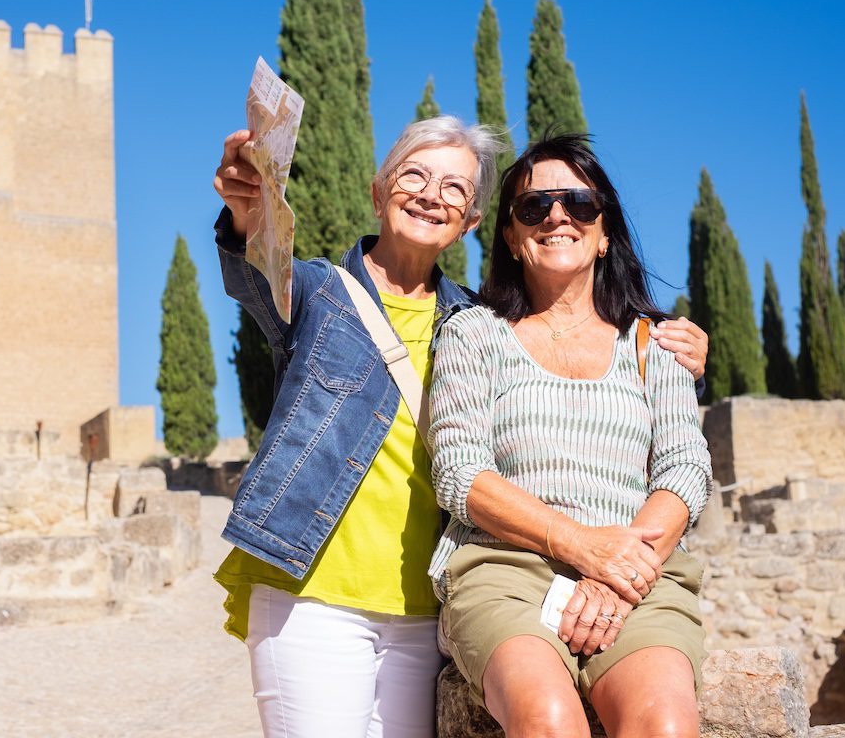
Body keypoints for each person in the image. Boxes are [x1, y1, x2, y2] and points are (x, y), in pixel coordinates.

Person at [210, 117, 709, 738]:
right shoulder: (320, 293)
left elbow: (625, 430)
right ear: (378, 190)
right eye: (413, 174)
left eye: (452, 188)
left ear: (470, 221)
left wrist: (684, 364)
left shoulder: (472, 317)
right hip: (317, 589)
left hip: (420, 604)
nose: (429, 194)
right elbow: (259, 267)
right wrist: (247, 211)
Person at [429, 133, 713, 738]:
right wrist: (586, 548)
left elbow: (686, 470)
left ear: (604, 231)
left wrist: (619, 570)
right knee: (547, 721)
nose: (558, 216)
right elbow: (458, 473)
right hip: (505, 569)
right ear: (510, 235)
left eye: (579, 204)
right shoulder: (472, 335)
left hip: (640, 576)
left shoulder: (653, 342)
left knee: (662, 724)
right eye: (534, 207)